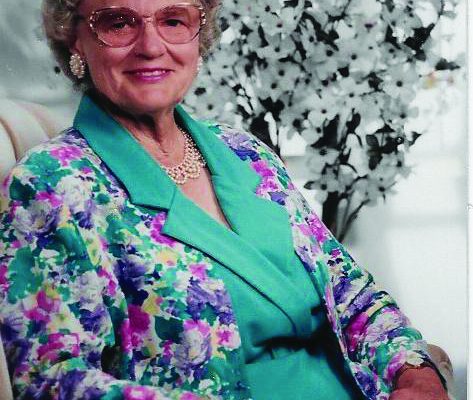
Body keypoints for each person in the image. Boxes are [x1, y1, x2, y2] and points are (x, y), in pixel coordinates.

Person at [0, 0, 449, 399]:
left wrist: (416, 374)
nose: (151, 46)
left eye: (173, 20)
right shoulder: (51, 184)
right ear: (74, 38)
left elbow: (351, 292)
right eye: (118, 23)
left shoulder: (245, 152)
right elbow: (54, 380)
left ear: (199, 34)